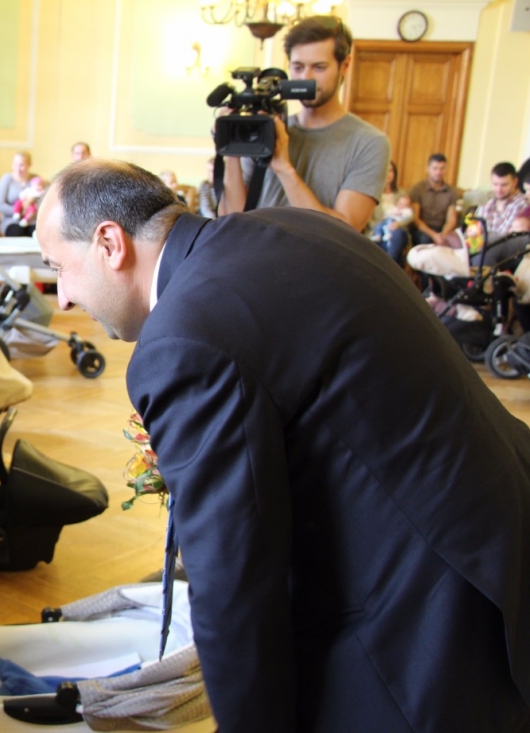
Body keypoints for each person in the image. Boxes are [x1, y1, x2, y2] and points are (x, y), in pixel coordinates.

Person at [35, 159, 530, 732]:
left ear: (109, 242)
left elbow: (234, 581)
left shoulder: (183, 337)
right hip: (493, 530)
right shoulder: (292, 228)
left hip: (427, 611)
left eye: (59, 268)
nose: (62, 298)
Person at [219, 16, 390, 232]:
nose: (305, 78)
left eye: (319, 67)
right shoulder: (267, 128)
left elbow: (344, 232)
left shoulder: (369, 142)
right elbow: (230, 218)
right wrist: (231, 146)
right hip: (255, 250)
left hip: (316, 256)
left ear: (344, 66)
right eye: (298, 67)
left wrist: (284, 168)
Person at [408, 153, 460, 244]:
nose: (438, 172)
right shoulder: (417, 189)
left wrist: (443, 235)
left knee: (455, 241)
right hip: (422, 229)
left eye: (442, 168)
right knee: (425, 239)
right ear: (427, 169)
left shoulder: (451, 192)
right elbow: (415, 219)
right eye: (435, 168)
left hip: (442, 228)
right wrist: (433, 235)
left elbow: (451, 220)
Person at [478, 161, 527, 239]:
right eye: (495, 184)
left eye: (504, 185)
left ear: (515, 182)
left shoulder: (521, 204)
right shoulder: (487, 206)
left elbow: (504, 237)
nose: (499, 189)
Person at [0, 151, 36, 236]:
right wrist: (19, 211)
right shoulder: (6, 179)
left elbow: (43, 200)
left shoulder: (36, 180)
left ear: (29, 165)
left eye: (21, 165)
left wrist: (31, 210)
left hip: (31, 220)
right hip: (11, 220)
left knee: (38, 234)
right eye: (15, 164)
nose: (18, 168)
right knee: (17, 233)